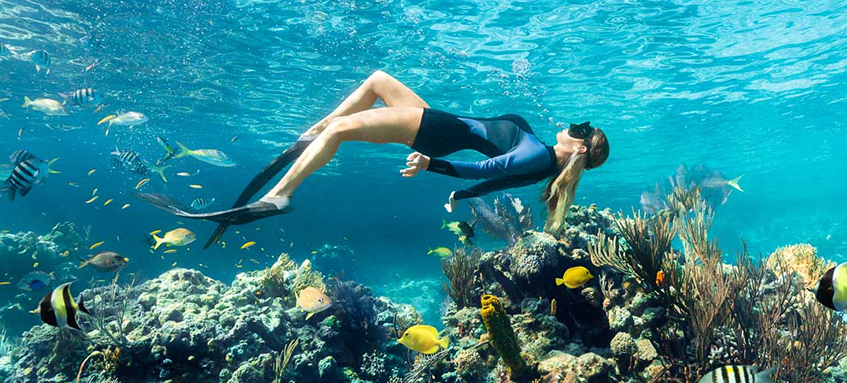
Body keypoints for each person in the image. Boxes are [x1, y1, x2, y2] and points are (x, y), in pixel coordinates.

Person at [137, 70, 610, 248]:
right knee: (378, 81)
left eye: (580, 129)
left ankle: (281, 194)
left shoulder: (538, 154)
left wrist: (433, 166)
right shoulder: (542, 161)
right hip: (438, 123)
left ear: (580, 147)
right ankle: (310, 137)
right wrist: (462, 195)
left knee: (341, 130)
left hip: (433, 131)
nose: (573, 126)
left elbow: (487, 169)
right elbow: (495, 181)